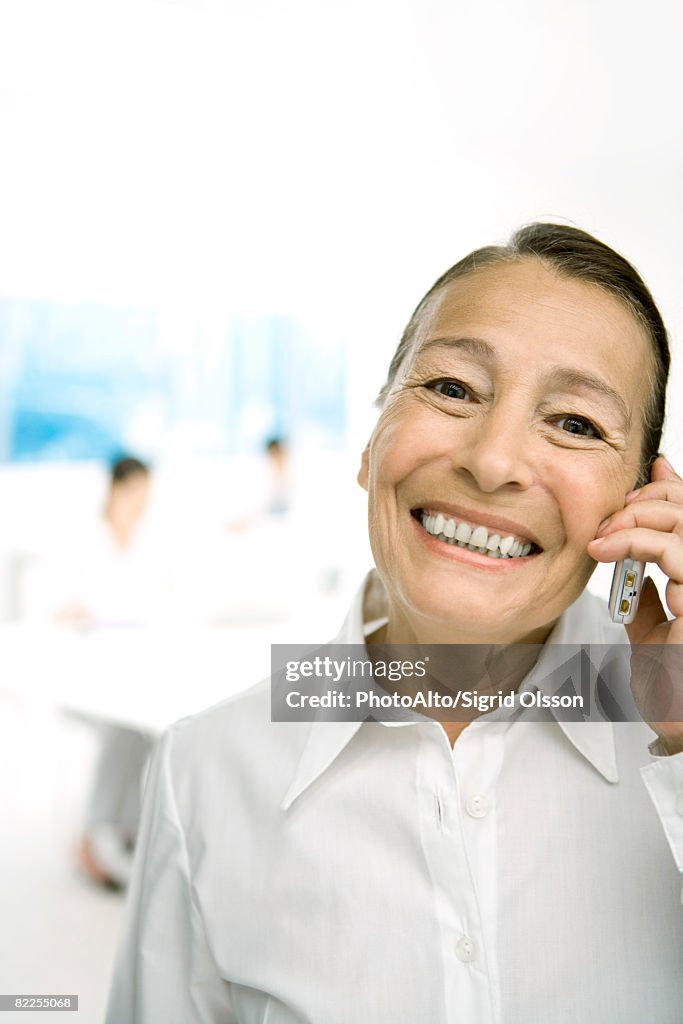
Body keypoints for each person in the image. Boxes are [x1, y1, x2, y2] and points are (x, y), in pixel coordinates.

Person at [106, 225, 683, 1022]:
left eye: (576, 424)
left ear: (638, 502)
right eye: (451, 388)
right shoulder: (201, 770)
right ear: (371, 439)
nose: (490, 462)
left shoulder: (672, 736)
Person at [60, 456, 161, 888]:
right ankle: (91, 837)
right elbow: (64, 611)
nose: (143, 504)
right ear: (117, 491)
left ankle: (128, 830)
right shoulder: (86, 543)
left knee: (152, 725)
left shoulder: (145, 545)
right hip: (84, 679)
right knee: (125, 724)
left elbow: (160, 605)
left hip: (132, 670)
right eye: (138, 494)